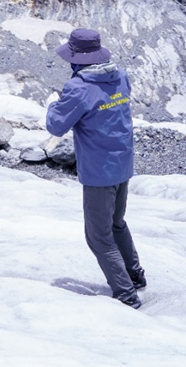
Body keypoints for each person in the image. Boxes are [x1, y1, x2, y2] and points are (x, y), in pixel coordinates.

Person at [45, 28, 145, 308]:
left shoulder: (79, 88)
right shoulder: (120, 75)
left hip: (99, 172)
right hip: (123, 163)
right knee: (116, 224)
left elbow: (56, 125)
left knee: (98, 236)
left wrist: (54, 104)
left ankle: (126, 294)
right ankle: (135, 275)